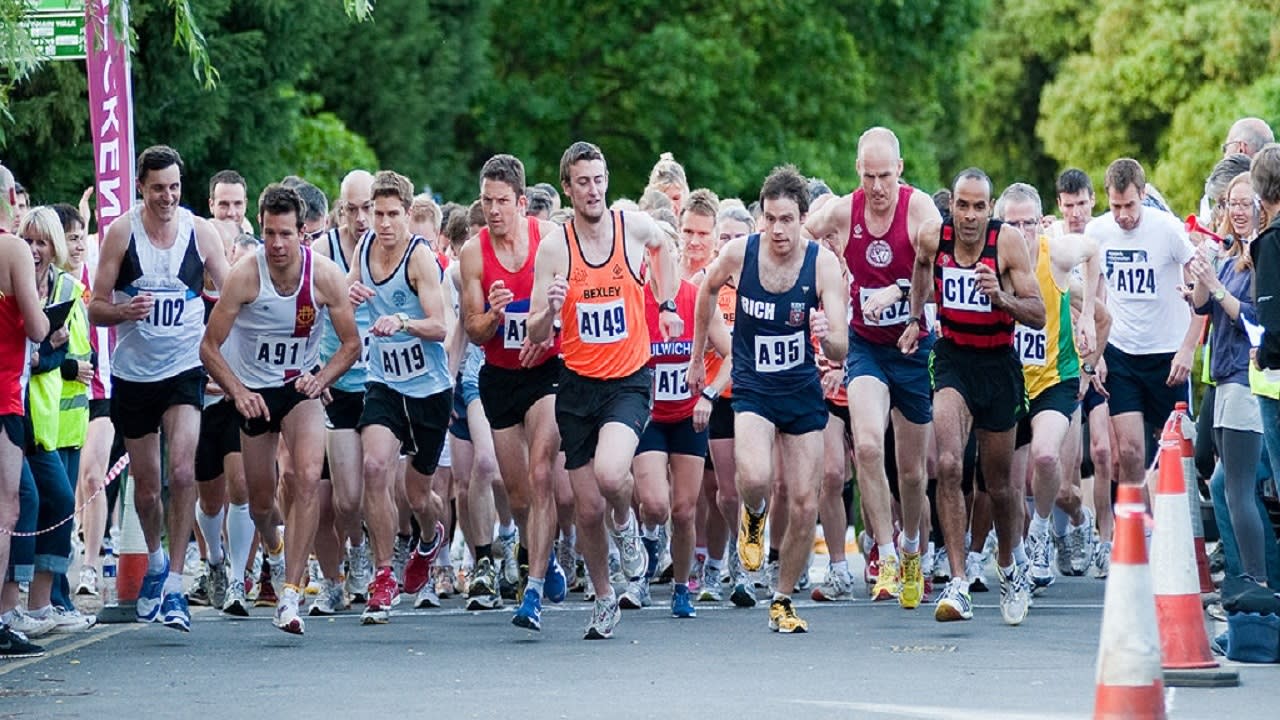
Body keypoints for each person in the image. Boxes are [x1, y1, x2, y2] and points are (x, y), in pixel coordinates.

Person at [527, 141, 681, 640]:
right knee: (587, 509)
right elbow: (533, 330)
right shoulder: (555, 248)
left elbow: (665, 245)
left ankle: (628, 528)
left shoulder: (631, 227)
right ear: (568, 189)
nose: (593, 190)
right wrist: (550, 311)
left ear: (607, 181)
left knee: (613, 474)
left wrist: (666, 302)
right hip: (577, 385)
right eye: (583, 183)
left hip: (628, 380)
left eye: (599, 180)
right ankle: (604, 597)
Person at [691, 165, 849, 633]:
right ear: (762, 217)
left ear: (803, 219)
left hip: (800, 388)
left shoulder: (821, 264)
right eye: (771, 219)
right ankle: (754, 517)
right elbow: (706, 289)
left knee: (803, 502)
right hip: (754, 386)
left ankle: (781, 599)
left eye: (787, 220)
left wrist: (826, 334)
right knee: (756, 478)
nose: (778, 230)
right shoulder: (740, 253)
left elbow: (841, 346)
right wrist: (698, 357)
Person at [200, 184, 361, 634]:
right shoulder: (244, 276)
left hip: (299, 387)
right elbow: (209, 347)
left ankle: (290, 595)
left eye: (286, 234)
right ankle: (273, 549)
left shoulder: (324, 276)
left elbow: (351, 343)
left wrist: (322, 379)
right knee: (259, 502)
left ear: (302, 232)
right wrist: (237, 391)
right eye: (269, 233)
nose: (276, 244)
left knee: (306, 477)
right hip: (254, 391)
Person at [88, 145, 230, 632]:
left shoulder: (200, 232)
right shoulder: (122, 233)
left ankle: (174, 583)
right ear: (140, 188)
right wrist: (123, 311)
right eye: (157, 189)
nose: (167, 197)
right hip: (134, 375)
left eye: (174, 188)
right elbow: (94, 306)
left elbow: (232, 293)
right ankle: (154, 561)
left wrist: (223, 352)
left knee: (184, 471)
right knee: (147, 489)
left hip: (184, 368)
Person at [804, 127, 941, 608]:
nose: (878, 187)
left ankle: (911, 550)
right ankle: (885, 555)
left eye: (885, 176)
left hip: (913, 347)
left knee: (912, 474)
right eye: (868, 176)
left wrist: (900, 290)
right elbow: (798, 233)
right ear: (857, 172)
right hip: (866, 347)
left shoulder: (921, 211)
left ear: (900, 169)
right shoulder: (844, 211)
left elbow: (947, 271)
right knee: (865, 446)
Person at [900, 168, 1045, 625]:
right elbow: (920, 269)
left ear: (990, 208)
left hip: (998, 366)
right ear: (952, 206)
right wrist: (915, 319)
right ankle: (958, 581)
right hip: (953, 361)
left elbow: (1038, 313)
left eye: (978, 206)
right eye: (962, 205)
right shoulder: (933, 237)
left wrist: (1001, 297)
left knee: (999, 487)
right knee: (947, 465)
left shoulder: (1007, 244)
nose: (969, 215)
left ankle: (1010, 568)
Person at [459, 154, 567, 631]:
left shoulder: (550, 240)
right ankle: (542, 553)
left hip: (546, 371)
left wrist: (549, 327)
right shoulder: (473, 253)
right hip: (500, 375)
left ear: (522, 203)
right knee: (518, 494)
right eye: (487, 201)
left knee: (542, 472)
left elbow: (572, 306)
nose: (493, 210)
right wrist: (495, 315)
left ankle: (533, 589)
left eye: (502, 201)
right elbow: (473, 329)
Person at [347, 170, 453, 625]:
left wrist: (402, 322)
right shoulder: (364, 248)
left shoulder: (420, 258)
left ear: (408, 214)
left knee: (418, 494)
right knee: (374, 468)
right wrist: (349, 294)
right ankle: (384, 573)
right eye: (378, 214)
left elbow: (440, 326)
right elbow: (347, 294)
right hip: (384, 382)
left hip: (428, 388)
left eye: (393, 214)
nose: (384, 223)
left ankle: (429, 539)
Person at [996, 183, 1103, 589]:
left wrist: (1087, 315)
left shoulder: (1054, 253)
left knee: (1045, 457)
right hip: (1010, 382)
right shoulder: (994, 260)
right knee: (1010, 485)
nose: (1022, 232)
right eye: (1013, 224)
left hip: (1055, 378)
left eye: (1029, 223)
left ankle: (1041, 535)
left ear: (1041, 224)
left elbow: (1092, 250)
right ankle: (1020, 556)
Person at [1084, 159, 1198, 494]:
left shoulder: (1168, 229)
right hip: (1122, 353)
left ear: (1143, 194)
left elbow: (1203, 293)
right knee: (1130, 452)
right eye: (1115, 206)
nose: (1123, 215)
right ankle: (1137, 526)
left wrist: (1188, 348)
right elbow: (1091, 298)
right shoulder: (1097, 232)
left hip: (1167, 354)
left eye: (1130, 205)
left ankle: (1173, 524)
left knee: (1173, 453)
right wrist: (1096, 353)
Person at [1187, 172, 1267, 589]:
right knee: (1224, 486)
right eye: (1230, 203)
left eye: (1245, 203)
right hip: (1223, 380)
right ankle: (1246, 581)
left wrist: (1216, 287)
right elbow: (1203, 306)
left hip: (1246, 380)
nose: (1236, 211)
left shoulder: (1264, 254)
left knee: (1237, 489)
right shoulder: (1231, 252)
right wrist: (1202, 273)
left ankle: (1256, 583)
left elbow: (1257, 324)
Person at [313, 170, 376, 610]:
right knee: (339, 500)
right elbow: (302, 310)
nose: (361, 218)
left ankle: (376, 557)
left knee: (380, 486)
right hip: (336, 385)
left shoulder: (394, 249)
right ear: (340, 211)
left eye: (367, 207)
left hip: (380, 383)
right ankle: (347, 562)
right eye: (351, 209)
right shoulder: (323, 253)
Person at [0, 165, 50, 658]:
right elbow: (36, 328)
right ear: (10, 198)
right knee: (5, 507)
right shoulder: (11, 248)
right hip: (3, 395)